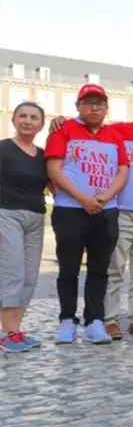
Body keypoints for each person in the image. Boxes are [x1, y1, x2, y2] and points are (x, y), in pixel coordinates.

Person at [50, 91, 133, 338]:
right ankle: (108, 318)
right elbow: (91, 120)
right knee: (113, 269)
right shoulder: (122, 131)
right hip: (121, 211)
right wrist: (62, 119)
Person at [45, 84, 130, 345]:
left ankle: (95, 321)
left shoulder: (114, 135)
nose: (95, 107)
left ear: (106, 108)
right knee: (68, 268)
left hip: (106, 211)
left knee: (99, 269)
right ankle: (67, 320)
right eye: (89, 102)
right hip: (70, 210)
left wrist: (105, 197)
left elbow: (123, 171)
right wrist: (82, 199)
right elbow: (54, 169)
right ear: (78, 106)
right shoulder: (64, 130)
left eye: (100, 103)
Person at [0, 102, 50, 352]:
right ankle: (7, 334)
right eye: (23, 116)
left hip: (36, 217)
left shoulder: (43, 156)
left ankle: (17, 331)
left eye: (33, 117)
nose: (27, 121)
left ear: (41, 124)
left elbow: (54, 185)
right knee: (13, 274)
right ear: (13, 119)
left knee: (30, 277)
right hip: (6, 214)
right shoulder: (3, 149)